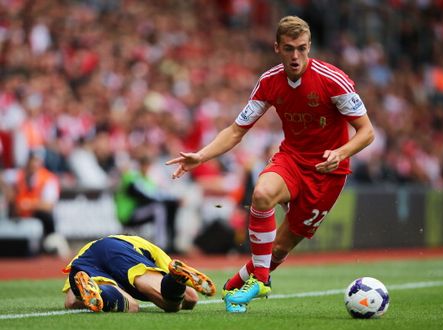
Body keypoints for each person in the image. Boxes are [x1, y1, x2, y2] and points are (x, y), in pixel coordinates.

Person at [166, 16, 374, 313]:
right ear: (277, 47)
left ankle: (238, 282)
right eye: (289, 49)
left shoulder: (332, 80)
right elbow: (237, 130)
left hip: (328, 173)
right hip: (291, 159)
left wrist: (341, 152)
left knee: (277, 249)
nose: (295, 56)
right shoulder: (269, 82)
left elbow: (367, 132)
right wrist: (201, 155)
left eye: (302, 49)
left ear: (309, 46)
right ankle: (261, 281)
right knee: (261, 194)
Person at [62, 234, 216, 313]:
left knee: (130, 307)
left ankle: (101, 292)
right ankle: (176, 280)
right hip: (117, 250)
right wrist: (179, 286)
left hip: (84, 262)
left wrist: (77, 298)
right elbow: (192, 297)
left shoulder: (83, 252)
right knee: (170, 305)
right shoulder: (139, 243)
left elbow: (70, 302)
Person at [114, 154, 180, 253]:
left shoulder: (146, 179)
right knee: (158, 209)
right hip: (127, 214)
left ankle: (171, 242)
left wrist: (173, 200)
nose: (147, 168)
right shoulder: (132, 178)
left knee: (169, 207)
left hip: (137, 212)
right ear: (140, 165)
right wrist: (171, 200)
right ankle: (160, 246)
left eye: (148, 165)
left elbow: (156, 193)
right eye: (144, 165)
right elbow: (147, 196)